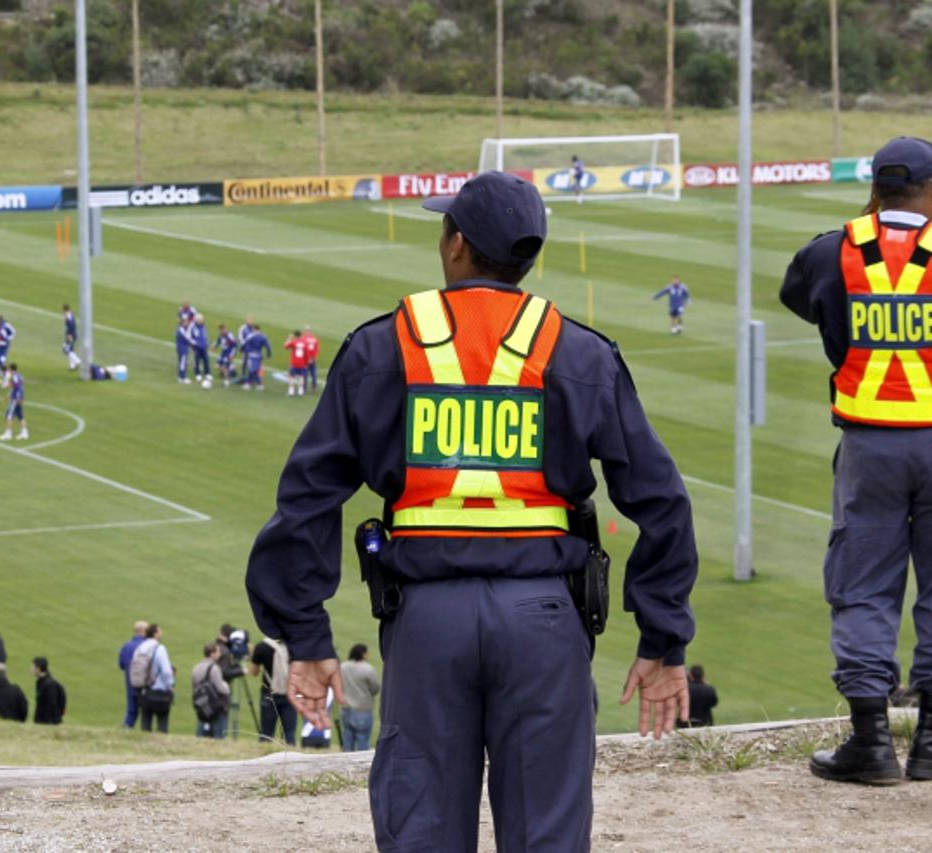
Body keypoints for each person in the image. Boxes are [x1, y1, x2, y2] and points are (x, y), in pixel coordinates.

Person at [245, 171, 697, 849]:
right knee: (547, 830)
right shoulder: (577, 351)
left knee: (420, 825)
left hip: (426, 621)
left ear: (456, 245)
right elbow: (661, 498)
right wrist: (662, 638)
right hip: (546, 620)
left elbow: (308, 492)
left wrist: (306, 638)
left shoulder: (382, 346)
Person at [780, 136, 932, 786]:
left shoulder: (834, 251)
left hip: (868, 446)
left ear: (875, 187)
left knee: (862, 579)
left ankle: (870, 741)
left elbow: (802, 294)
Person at [249, 636, 296, 746]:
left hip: (269, 693)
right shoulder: (293, 645)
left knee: (266, 733)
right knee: (289, 733)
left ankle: (264, 757)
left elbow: (254, 672)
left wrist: (252, 654)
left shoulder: (262, 647)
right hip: (289, 693)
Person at [134, 623, 175, 733]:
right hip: (159, 691)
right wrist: (171, 685)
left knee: (145, 724)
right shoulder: (160, 648)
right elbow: (166, 671)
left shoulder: (140, 648)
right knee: (162, 723)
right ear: (155, 634)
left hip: (144, 691)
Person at [338, 644, 380, 751]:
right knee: (363, 741)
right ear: (363, 654)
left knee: (348, 740)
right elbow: (375, 688)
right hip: (362, 710)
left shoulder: (343, 667)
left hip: (346, 708)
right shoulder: (368, 669)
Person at [191, 643, 231, 738]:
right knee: (218, 734)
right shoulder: (214, 668)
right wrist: (226, 686)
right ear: (212, 654)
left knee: (202, 732)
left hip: (202, 705)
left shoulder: (196, 668)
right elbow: (221, 689)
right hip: (215, 705)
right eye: (217, 651)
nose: (219, 654)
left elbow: (194, 687)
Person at [117, 620, 148, 729]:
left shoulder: (126, 646)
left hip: (129, 681)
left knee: (131, 710)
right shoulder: (146, 646)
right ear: (144, 631)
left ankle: (125, 731)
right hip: (145, 682)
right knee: (146, 711)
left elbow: (121, 665)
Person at [678, 664, 718, 728]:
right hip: (705, 722)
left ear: (690, 675)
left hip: (687, 723)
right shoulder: (709, 689)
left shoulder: (685, 690)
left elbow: (679, 703)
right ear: (703, 675)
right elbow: (714, 703)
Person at [32, 657, 67, 725]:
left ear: (38, 668)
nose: (31, 669)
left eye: (33, 667)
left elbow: (51, 705)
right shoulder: (41, 682)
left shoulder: (49, 684)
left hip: (47, 722)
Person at [0, 364, 28, 441]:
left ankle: (8, 434)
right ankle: (25, 433)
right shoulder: (19, 375)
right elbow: (21, 385)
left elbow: (15, 387)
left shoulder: (13, 376)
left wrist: (3, 384)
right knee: (20, 416)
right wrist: (8, 396)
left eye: (9, 369)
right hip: (19, 397)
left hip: (15, 399)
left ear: (11, 369)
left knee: (9, 415)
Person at [239, 326, 272, 391]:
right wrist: (269, 354)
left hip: (251, 355)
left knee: (253, 370)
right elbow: (268, 346)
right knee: (255, 369)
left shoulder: (250, 336)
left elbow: (245, 344)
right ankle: (250, 384)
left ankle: (256, 384)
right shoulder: (263, 336)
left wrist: (242, 349)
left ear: (254, 329)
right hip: (259, 355)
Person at [0, 315, 16, 383]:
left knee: (2, 363)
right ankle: (4, 376)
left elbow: (13, 332)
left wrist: (8, 339)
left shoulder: (5, 326)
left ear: (0, 320)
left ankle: (7, 378)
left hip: (3, 347)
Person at [284, 330, 308, 397]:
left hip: (294, 362)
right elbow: (307, 354)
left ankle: (291, 391)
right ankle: (300, 390)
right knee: (301, 376)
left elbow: (285, 346)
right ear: (301, 335)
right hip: (302, 363)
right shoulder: (305, 343)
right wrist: (306, 363)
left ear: (295, 335)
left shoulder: (294, 342)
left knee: (292, 376)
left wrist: (289, 338)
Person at [191, 314, 211, 385]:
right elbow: (191, 337)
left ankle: (207, 373)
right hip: (197, 347)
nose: (201, 321)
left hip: (204, 346)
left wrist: (207, 342)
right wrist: (194, 344)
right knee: (197, 360)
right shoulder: (193, 327)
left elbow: (205, 335)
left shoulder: (203, 327)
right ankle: (197, 374)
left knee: (206, 360)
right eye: (200, 320)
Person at [301, 325, 320, 392]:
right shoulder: (314, 339)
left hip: (306, 359)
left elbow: (303, 350)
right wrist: (313, 358)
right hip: (313, 359)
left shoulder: (303, 339)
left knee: (305, 373)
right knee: (313, 372)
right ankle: (314, 386)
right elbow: (317, 349)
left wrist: (308, 358)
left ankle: (304, 387)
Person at [175, 315, 194, 384]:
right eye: (185, 321)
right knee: (183, 363)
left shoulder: (182, 329)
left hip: (181, 348)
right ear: (182, 322)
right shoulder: (182, 330)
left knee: (182, 363)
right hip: (182, 349)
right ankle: (183, 377)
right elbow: (187, 338)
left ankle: (180, 377)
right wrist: (194, 344)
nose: (187, 322)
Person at [63, 304, 81, 371]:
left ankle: (78, 361)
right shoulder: (70, 314)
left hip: (71, 335)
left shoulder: (68, 315)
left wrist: (69, 335)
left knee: (66, 349)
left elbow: (71, 325)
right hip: (73, 334)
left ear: (65, 310)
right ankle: (72, 366)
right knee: (71, 350)